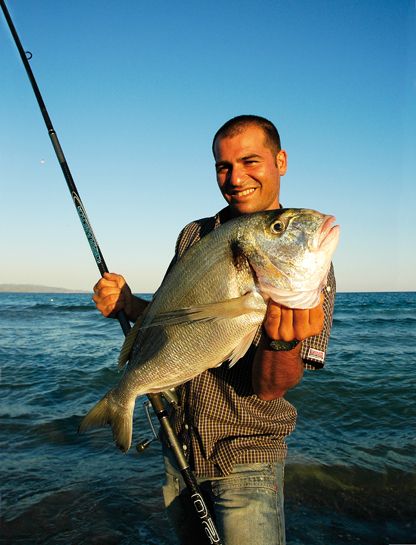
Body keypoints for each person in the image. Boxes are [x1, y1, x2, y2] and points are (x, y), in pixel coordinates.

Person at [92, 115, 336, 545]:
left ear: (280, 161)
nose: (236, 177)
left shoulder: (310, 270)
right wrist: (130, 305)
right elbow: (179, 317)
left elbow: (272, 388)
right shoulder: (194, 235)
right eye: (223, 166)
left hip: (247, 458)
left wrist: (281, 340)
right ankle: (121, 400)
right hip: (178, 444)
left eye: (250, 161)